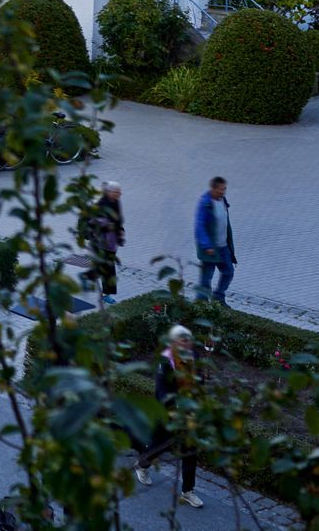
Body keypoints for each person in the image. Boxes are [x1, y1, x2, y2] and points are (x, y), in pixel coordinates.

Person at [133, 325, 204, 509]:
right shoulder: (165, 360)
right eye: (182, 340)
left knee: (190, 449)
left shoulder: (194, 356)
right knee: (161, 444)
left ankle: (188, 491)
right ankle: (142, 464)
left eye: (188, 340)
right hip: (168, 412)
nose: (187, 344)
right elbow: (162, 391)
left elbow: (200, 379)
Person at [78, 181, 125, 305]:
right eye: (116, 192)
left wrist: (120, 231)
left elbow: (118, 220)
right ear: (109, 192)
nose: (120, 194)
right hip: (100, 242)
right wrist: (106, 225)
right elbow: (92, 222)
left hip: (112, 241)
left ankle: (88, 277)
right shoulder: (100, 204)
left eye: (119, 192)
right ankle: (105, 294)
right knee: (107, 268)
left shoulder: (115, 202)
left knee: (105, 267)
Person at [194, 176, 237, 304]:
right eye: (220, 189)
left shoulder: (223, 200)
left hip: (223, 247)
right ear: (213, 189)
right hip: (210, 249)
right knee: (206, 278)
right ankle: (201, 303)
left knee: (228, 272)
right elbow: (199, 226)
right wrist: (207, 246)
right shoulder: (205, 203)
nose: (223, 192)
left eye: (224, 189)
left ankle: (218, 296)